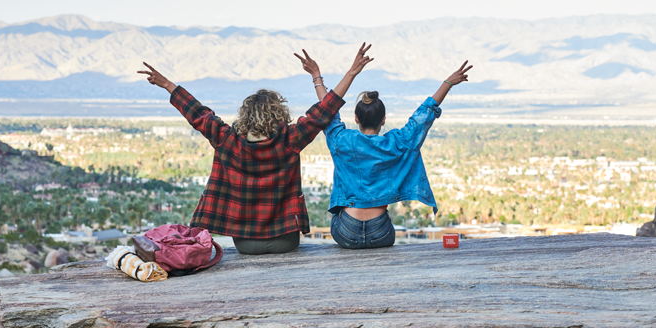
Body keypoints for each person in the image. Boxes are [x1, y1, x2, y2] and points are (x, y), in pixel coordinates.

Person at [137, 43, 375, 255]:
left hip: (245, 244)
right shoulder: (291, 139)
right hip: (285, 240)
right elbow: (325, 110)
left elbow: (198, 114)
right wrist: (344, 73)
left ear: (245, 115)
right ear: (278, 113)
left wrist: (167, 84)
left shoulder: (227, 140)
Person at [295, 51, 472, 249]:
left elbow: (327, 112)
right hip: (381, 232)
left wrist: (316, 76)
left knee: (337, 217)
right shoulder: (398, 142)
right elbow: (423, 116)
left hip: (346, 232)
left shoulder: (341, 141)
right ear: (383, 120)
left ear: (356, 118)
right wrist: (447, 83)